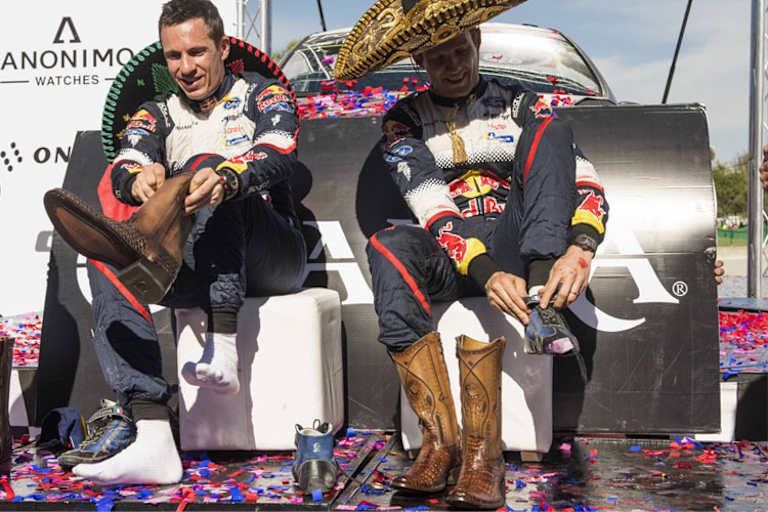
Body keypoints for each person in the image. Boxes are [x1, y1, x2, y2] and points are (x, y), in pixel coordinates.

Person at [334, 1, 606, 509]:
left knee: (555, 130)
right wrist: (483, 270)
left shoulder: (521, 103)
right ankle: (440, 443)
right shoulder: (401, 122)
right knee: (387, 246)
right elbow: (429, 205)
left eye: (461, 51)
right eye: (439, 60)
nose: (454, 66)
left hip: (519, 245)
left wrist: (579, 251)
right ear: (420, 64)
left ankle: (487, 458)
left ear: (477, 41)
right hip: (451, 254)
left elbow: (585, 181)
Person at [45, 0, 305, 485]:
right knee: (107, 260)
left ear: (224, 47)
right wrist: (138, 182)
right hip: (194, 259)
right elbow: (126, 158)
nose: (186, 68)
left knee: (211, 165)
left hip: (274, 254)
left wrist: (226, 175)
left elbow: (279, 151)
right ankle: (153, 434)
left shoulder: (261, 94)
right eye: (173, 56)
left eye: (197, 52)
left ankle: (223, 345)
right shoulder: (155, 112)